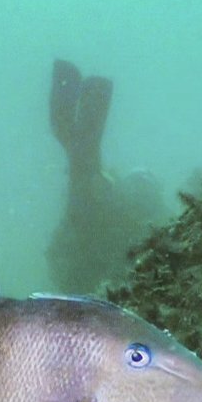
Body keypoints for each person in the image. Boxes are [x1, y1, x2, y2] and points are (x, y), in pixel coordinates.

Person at [46, 59, 169, 294]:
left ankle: (85, 87)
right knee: (78, 150)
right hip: (91, 230)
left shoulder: (128, 207)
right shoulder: (140, 211)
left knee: (78, 150)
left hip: (88, 236)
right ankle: (89, 89)